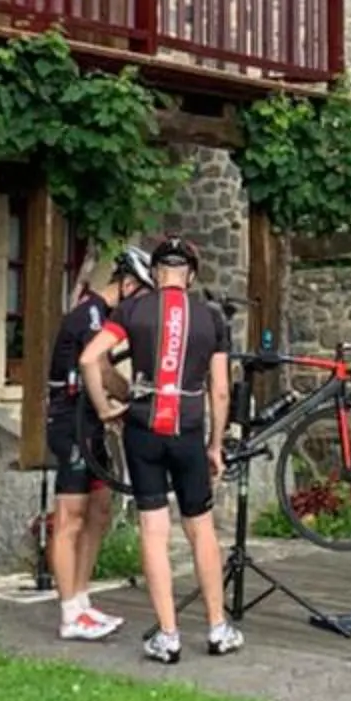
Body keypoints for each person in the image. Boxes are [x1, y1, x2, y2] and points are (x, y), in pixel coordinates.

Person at [81, 234, 240, 664]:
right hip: (187, 427)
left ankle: (168, 635)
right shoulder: (211, 317)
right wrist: (214, 445)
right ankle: (217, 627)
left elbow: (90, 358)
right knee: (200, 528)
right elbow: (221, 390)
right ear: (189, 274)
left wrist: (107, 405)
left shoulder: (133, 307)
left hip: (143, 427)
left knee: (154, 528)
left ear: (155, 272)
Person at [44, 243, 150, 641]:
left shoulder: (102, 313)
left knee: (100, 510)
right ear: (125, 283)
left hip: (90, 422)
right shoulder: (88, 313)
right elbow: (102, 368)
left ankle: (82, 600)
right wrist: (134, 396)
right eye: (140, 294)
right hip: (70, 422)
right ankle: (69, 613)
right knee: (70, 517)